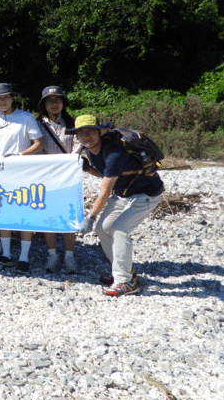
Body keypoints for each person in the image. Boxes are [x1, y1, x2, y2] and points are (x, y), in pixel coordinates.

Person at [67, 115, 163, 296]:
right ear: (77, 137)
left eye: (90, 132)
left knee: (119, 230)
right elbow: (105, 174)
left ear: (99, 131)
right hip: (123, 194)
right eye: (81, 134)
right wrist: (88, 168)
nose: (86, 137)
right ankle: (125, 271)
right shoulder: (91, 150)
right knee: (103, 230)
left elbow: (105, 189)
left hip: (146, 194)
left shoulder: (113, 152)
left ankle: (125, 282)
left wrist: (90, 217)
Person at [0, 83, 43, 273]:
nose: (2, 101)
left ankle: (24, 257)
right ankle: (6, 254)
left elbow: (39, 143)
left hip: (24, 172)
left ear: (12, 98)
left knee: (25, 213)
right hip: (0, 173)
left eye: (5, 97)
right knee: (4, 213)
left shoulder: (26, 117)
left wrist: (21, 156)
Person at [35, 85, 81, 273]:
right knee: (50, 218)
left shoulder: (73, 123)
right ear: (44, 104)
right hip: (47, 179)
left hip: (69, 178)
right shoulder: (38, 125)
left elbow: (78, 148)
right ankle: (52, 255)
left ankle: (70, 257)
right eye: (50, 101)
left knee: (69, 218)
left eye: (57, 100)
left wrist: (66, 165)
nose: (54, 104)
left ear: (63, 103)